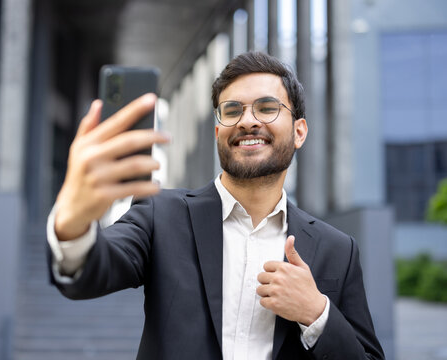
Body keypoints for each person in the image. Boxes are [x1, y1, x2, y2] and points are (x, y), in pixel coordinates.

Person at [47, 51, 385, 359]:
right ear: (217, 130)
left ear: (299, 131)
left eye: (267, 107)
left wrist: (316, 314)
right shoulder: (160, 214)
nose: (247, 120)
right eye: (232, 110)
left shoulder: (338, 250)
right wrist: (73, 222)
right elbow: (92, 271)